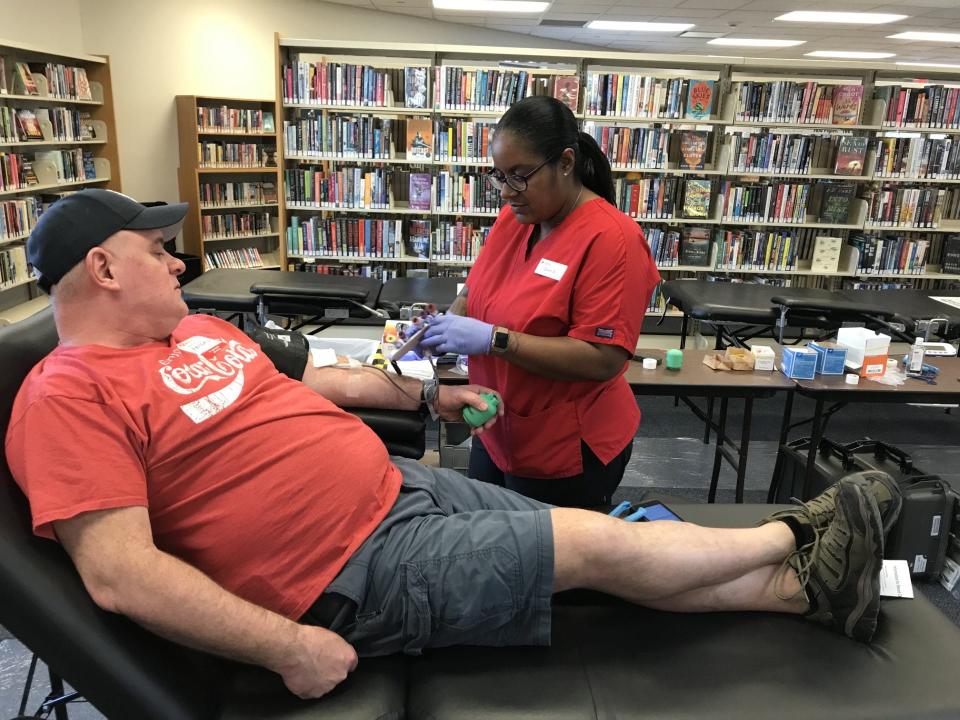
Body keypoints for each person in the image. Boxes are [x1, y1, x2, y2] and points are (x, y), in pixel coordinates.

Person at [7, 190, 903, 702]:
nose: (179, 265)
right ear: (103, 267)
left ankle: (814, 597)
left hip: (397, 491)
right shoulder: (66, 397)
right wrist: (287, 646)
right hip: (345, 575)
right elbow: (120, 574)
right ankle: (799, 530)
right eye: (159, 250)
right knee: (591, 539)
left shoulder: (199, 335)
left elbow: (319, 379)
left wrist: (434, 390)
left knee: (601, 561)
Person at [420, 95, 661, 507]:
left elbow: (604, 358)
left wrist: (495, 340)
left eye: (519, 175)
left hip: (566, 447)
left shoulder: (613, 240)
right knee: (488, 541)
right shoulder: (516, 218)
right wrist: (445, 325)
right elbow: (477, 287)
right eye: (499, 176)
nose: (507, 191)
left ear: (565, 163)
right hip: (500, 427)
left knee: (548, 563)